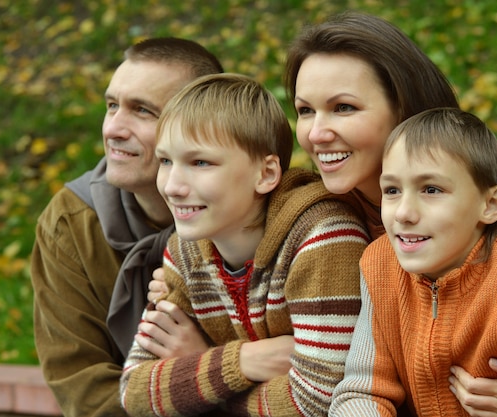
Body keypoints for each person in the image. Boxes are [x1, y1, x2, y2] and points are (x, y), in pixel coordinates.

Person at [284, 11, 497, 416]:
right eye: (305, 110)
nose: (316, 133)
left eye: (344, 107)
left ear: (402, 107)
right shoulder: (336, 210)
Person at [119, 73, 370, 416]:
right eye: (166, 161)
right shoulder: (185, 252)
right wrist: (244, 361)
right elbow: (133, 391)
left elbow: (315, 403)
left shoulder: (322, 237)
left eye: (200, 162)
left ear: (266, 174)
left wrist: (197, 379)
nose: (172, 186)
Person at [329, 107, 497, 416]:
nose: (403, 212)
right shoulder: (379, 266)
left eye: (431, 189)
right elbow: (361, 391)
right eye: (392, 190)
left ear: (490, 204)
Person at [30, 37, 224, 417]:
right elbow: (83, 388)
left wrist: (212, 362)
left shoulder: (247, 213)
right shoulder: (71, 223)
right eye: (112, 105)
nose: (114, 128)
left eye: (143, 111)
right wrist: (200, 374)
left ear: (202, 125)